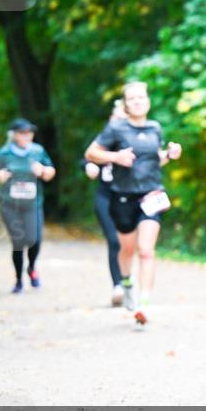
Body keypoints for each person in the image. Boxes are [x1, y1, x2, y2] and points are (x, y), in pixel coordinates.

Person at [84, 82, 182, 326]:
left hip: (151, 196)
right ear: (126, 105)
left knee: (146, 250)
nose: (138, 101)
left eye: (141, 97)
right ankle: (126, 282)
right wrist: (115, 157)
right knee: (126, 250)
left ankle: (144, 303)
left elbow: (153, 160)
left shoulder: (155, 128)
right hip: (122, 196)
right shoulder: (116, 128)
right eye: (132, 98)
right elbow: (91, 153)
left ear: (148, 101)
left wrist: (169, 155)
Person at [0, 118, 56, 294]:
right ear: (14, 135)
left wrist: (43, 171)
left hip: (33, 203)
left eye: (30, 133)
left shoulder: (38, 151)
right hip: (10, 205)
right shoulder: (5, 152)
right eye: (23, 133)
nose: (27, 136)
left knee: (35, 239)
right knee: (18, 241)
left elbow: (51, 172)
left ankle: (31, 267)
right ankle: (18, 280)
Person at [83, 100, 128, 306]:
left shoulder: (136, 139)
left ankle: (128, 282)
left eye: (122, 117)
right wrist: (90, 167)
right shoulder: (104, 139)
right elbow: (88, 159)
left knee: (128, 245)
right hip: (105, 196)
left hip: (129, 197)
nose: (118, 121)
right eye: (116, 117)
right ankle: (117, 285)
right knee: (114, 241)